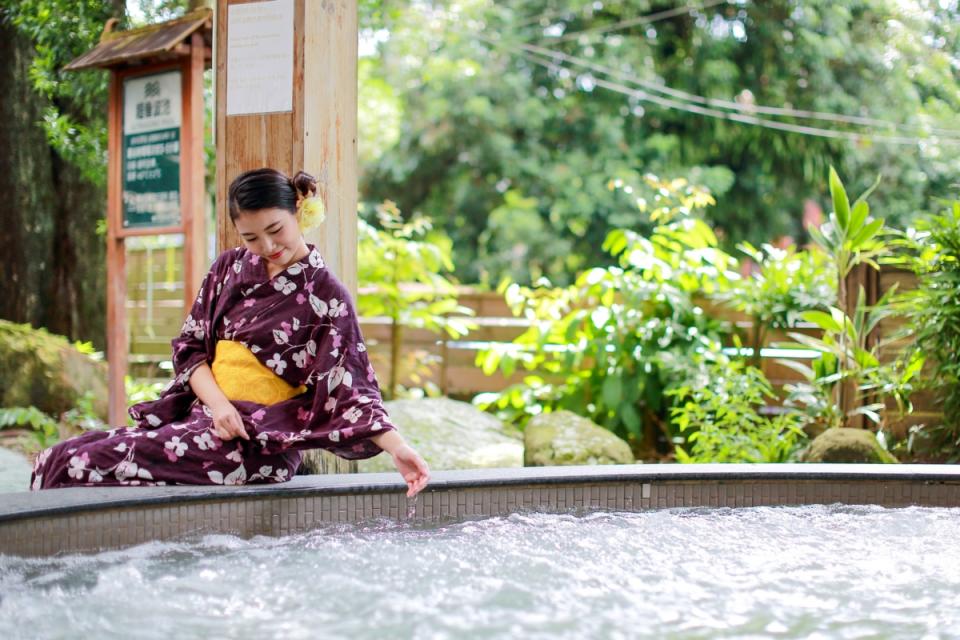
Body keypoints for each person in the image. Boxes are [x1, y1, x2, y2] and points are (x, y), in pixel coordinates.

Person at [31, 168, 430, 497]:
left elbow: (353, 389)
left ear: (299, 211)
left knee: (78, 465)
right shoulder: (229, 268)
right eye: (251, 237)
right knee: (55, 456)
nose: (268, 246)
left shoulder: (328, 296)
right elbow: (191, 349)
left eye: (276, 229)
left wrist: (398, 449)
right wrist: (219, 406)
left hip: (256, 446)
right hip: (205, 419)